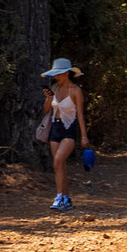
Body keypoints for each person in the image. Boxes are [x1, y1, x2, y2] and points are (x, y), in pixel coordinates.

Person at [42, 58, 88, 212]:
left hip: (69, 129)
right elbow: (47, 110)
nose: (56, 77)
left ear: (67, 73)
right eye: (55, 74)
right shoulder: (54, 88)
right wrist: (48, 98)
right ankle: (65, 198)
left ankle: (59, 196)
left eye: (59, 74)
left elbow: (80, 115)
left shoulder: (75, 91)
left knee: (57, 161)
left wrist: (83, 136)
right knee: (59, 166)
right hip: (55, 128)